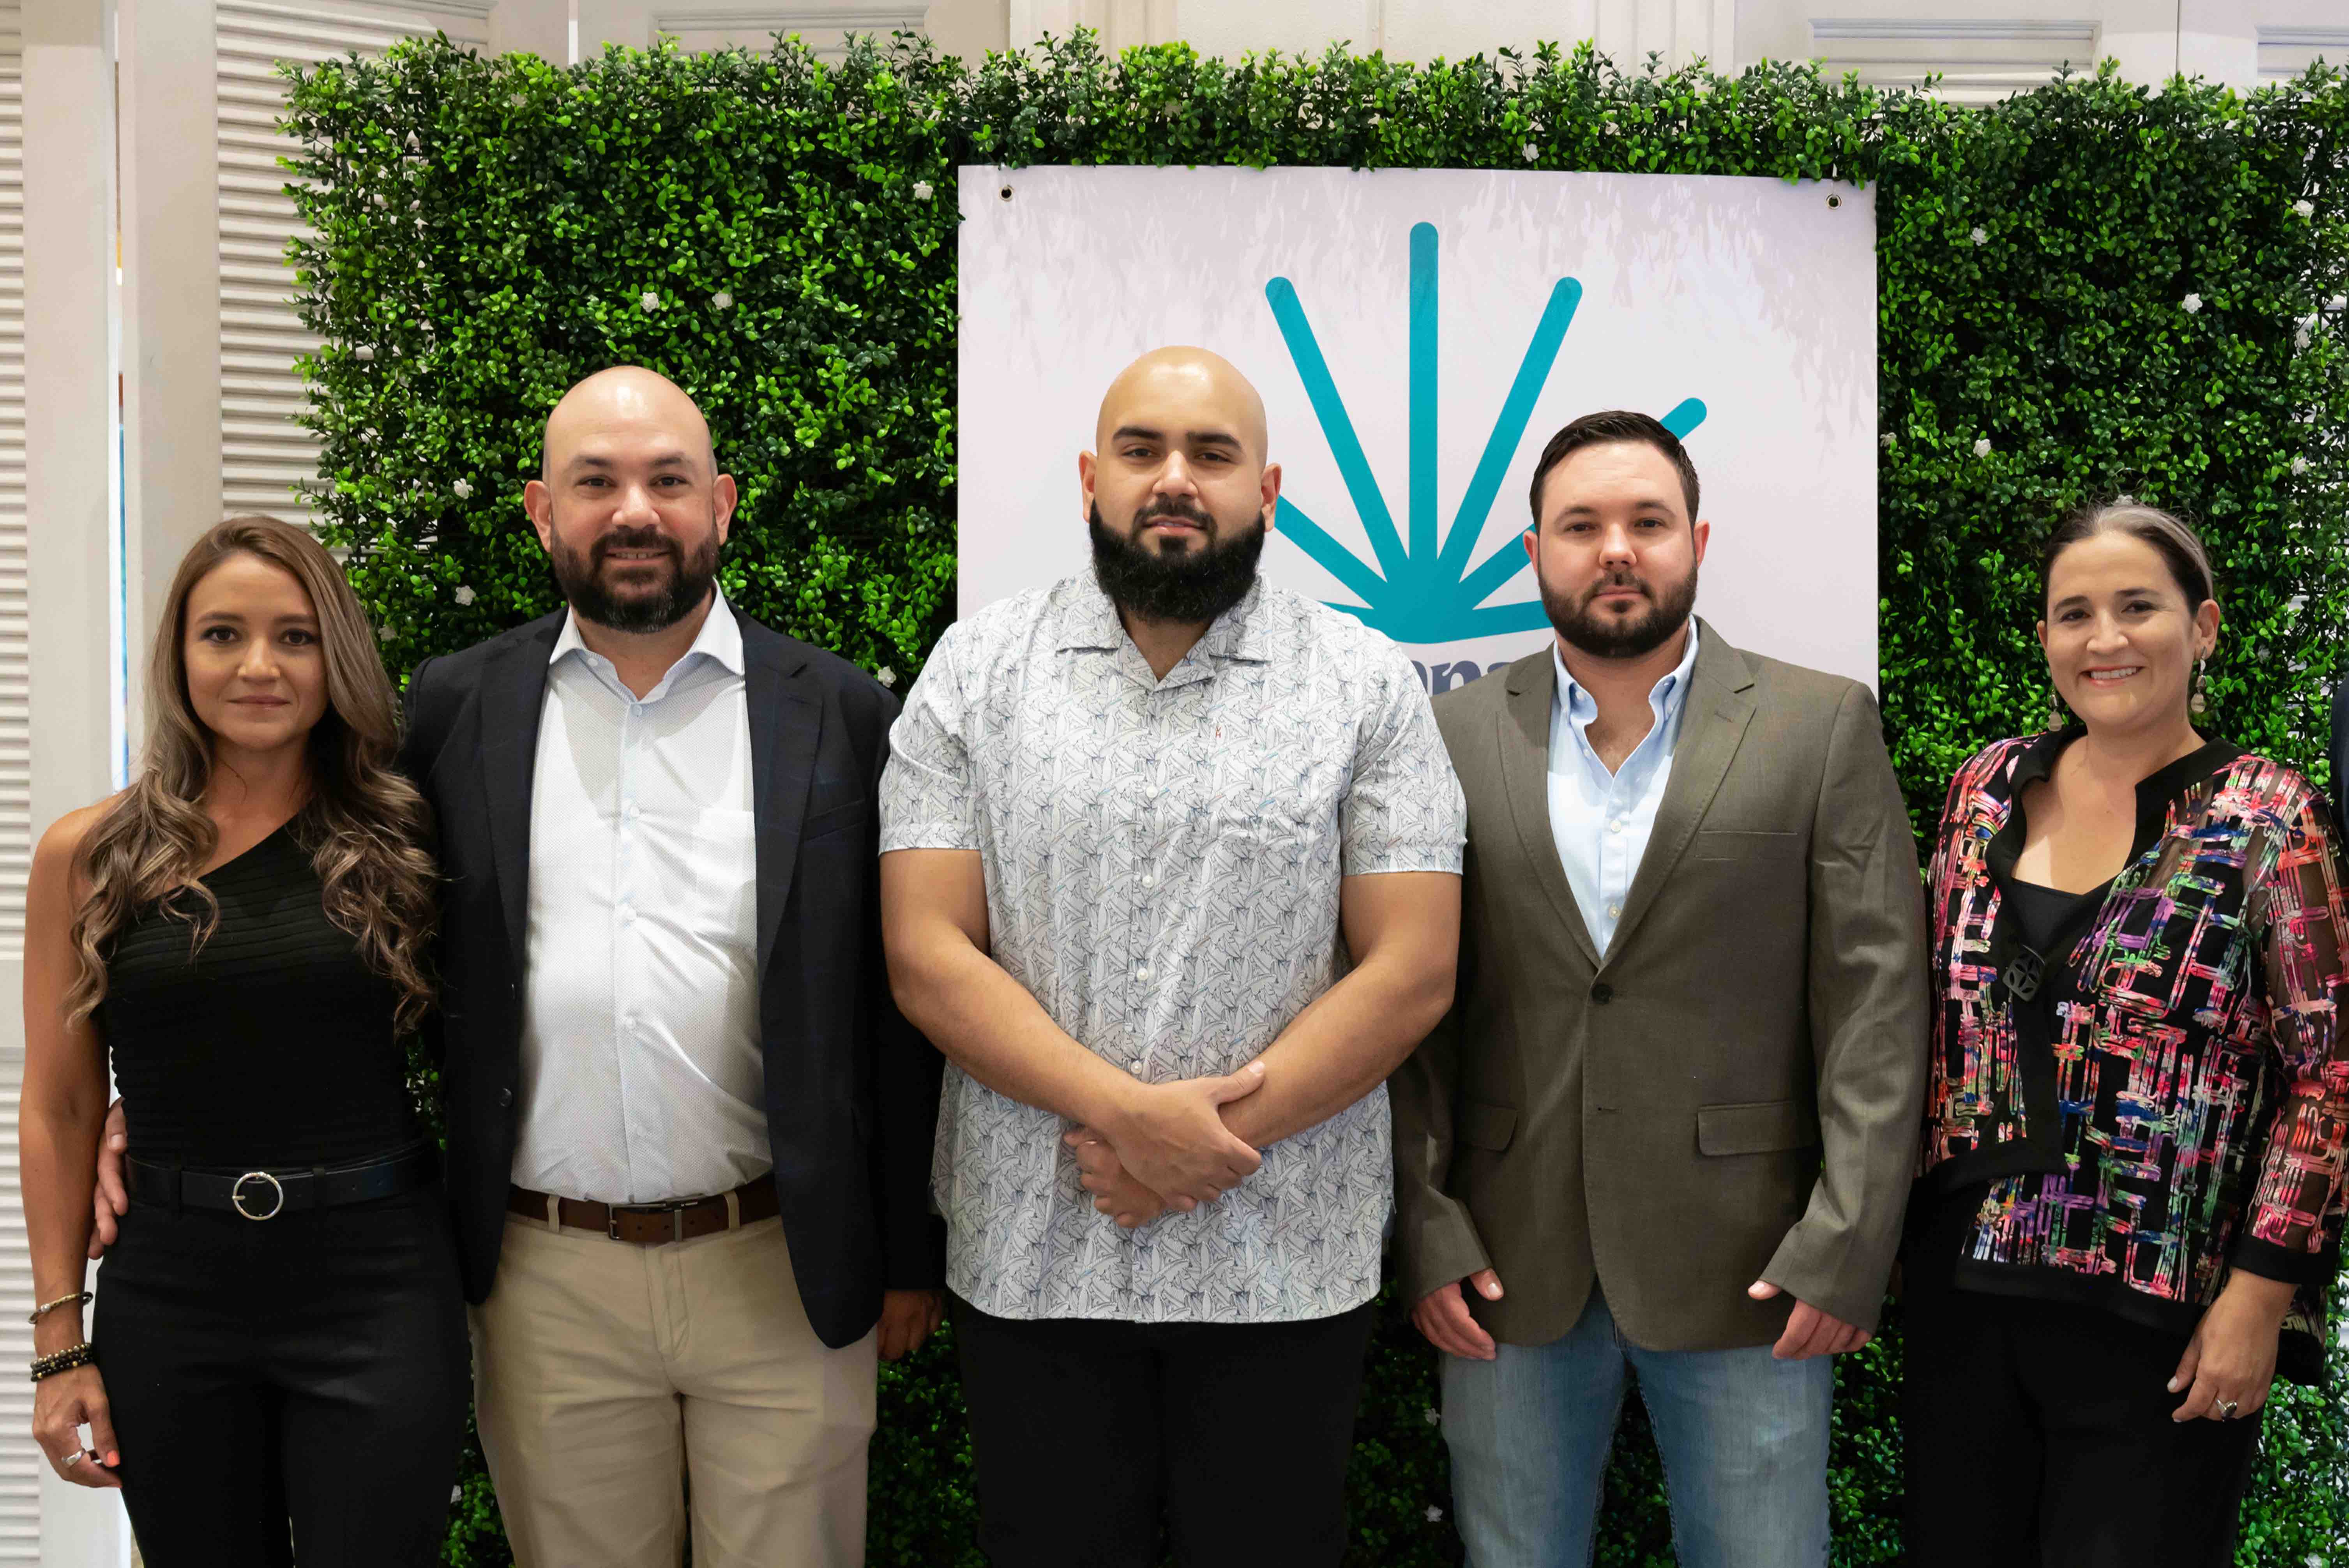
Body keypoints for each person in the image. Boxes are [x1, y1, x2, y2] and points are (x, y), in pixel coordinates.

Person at [94, 367, 944, 1568]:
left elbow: (888, 1004)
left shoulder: (841, 712)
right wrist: (163, 1099)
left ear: (722, 505)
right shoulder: (455, 707)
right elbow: (331, 935)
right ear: (543, 514)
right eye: (596, 483)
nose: (634, 511)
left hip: (780, 1263)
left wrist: (907, 1251)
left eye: (668, 480)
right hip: (546, 1276)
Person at [879, 345, 1465, 1568]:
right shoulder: (975, 672)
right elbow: (927, 952)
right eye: (1141, 450)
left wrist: (1202, 1151)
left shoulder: (1363, 686)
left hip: (1283, 1257)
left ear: (1269, 490)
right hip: (1032, 1250)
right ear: (1090, 478)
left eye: (1212, 453)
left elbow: (1410, 969)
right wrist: (1133, 1122)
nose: (1175, 480)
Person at [1389, 410, 1929, 1568]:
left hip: (1754, 1264)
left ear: (1698, 540)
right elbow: (1410, 1002)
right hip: (1507, 1260)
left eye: (1648, 521)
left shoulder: (1819, 724)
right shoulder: (1447, 734)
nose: (1616, 550)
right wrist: (1426, 1227)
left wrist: (1845, 1244)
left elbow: (1875, 1008)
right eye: (1580, 526)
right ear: (1534, 552)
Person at [1902, 501, 2349, 1566]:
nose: (2104, 639)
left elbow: (2329, 1075)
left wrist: (2259, 1298)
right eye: (2074, 614)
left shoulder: (2270, 819)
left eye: (2137, 607)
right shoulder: (1983, 789)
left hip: (2164, 1318)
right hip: (1962, 1297)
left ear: (2203, 627)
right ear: (2045, 639)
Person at [21, 516, 466, 1564]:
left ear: (335, 658)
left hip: (380, 1284)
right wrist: (58, 1343)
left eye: (296, 637)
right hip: (172, 1296)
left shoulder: (410, 838)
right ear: (179, 656)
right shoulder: (90, 855)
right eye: (222, 634)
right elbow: (61, 1104)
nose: (259, 666)